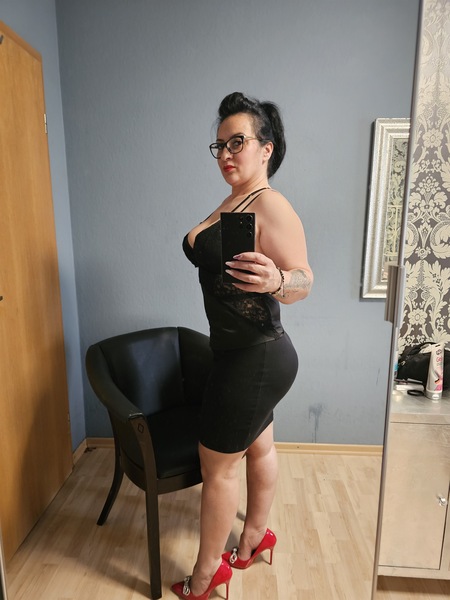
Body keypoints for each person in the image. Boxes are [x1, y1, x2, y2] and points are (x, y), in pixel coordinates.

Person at [172, 92, 313, 600]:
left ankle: (206, 576)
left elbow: (304, 279)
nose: (226, 154)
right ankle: (254, 538)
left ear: (265, 148)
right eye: (219, 145)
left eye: (238, 142)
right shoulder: (235, 201)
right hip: (243, 352)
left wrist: (279, 280)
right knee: (260, 446)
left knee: (217, 467)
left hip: (257, 356)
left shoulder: (269, 203)